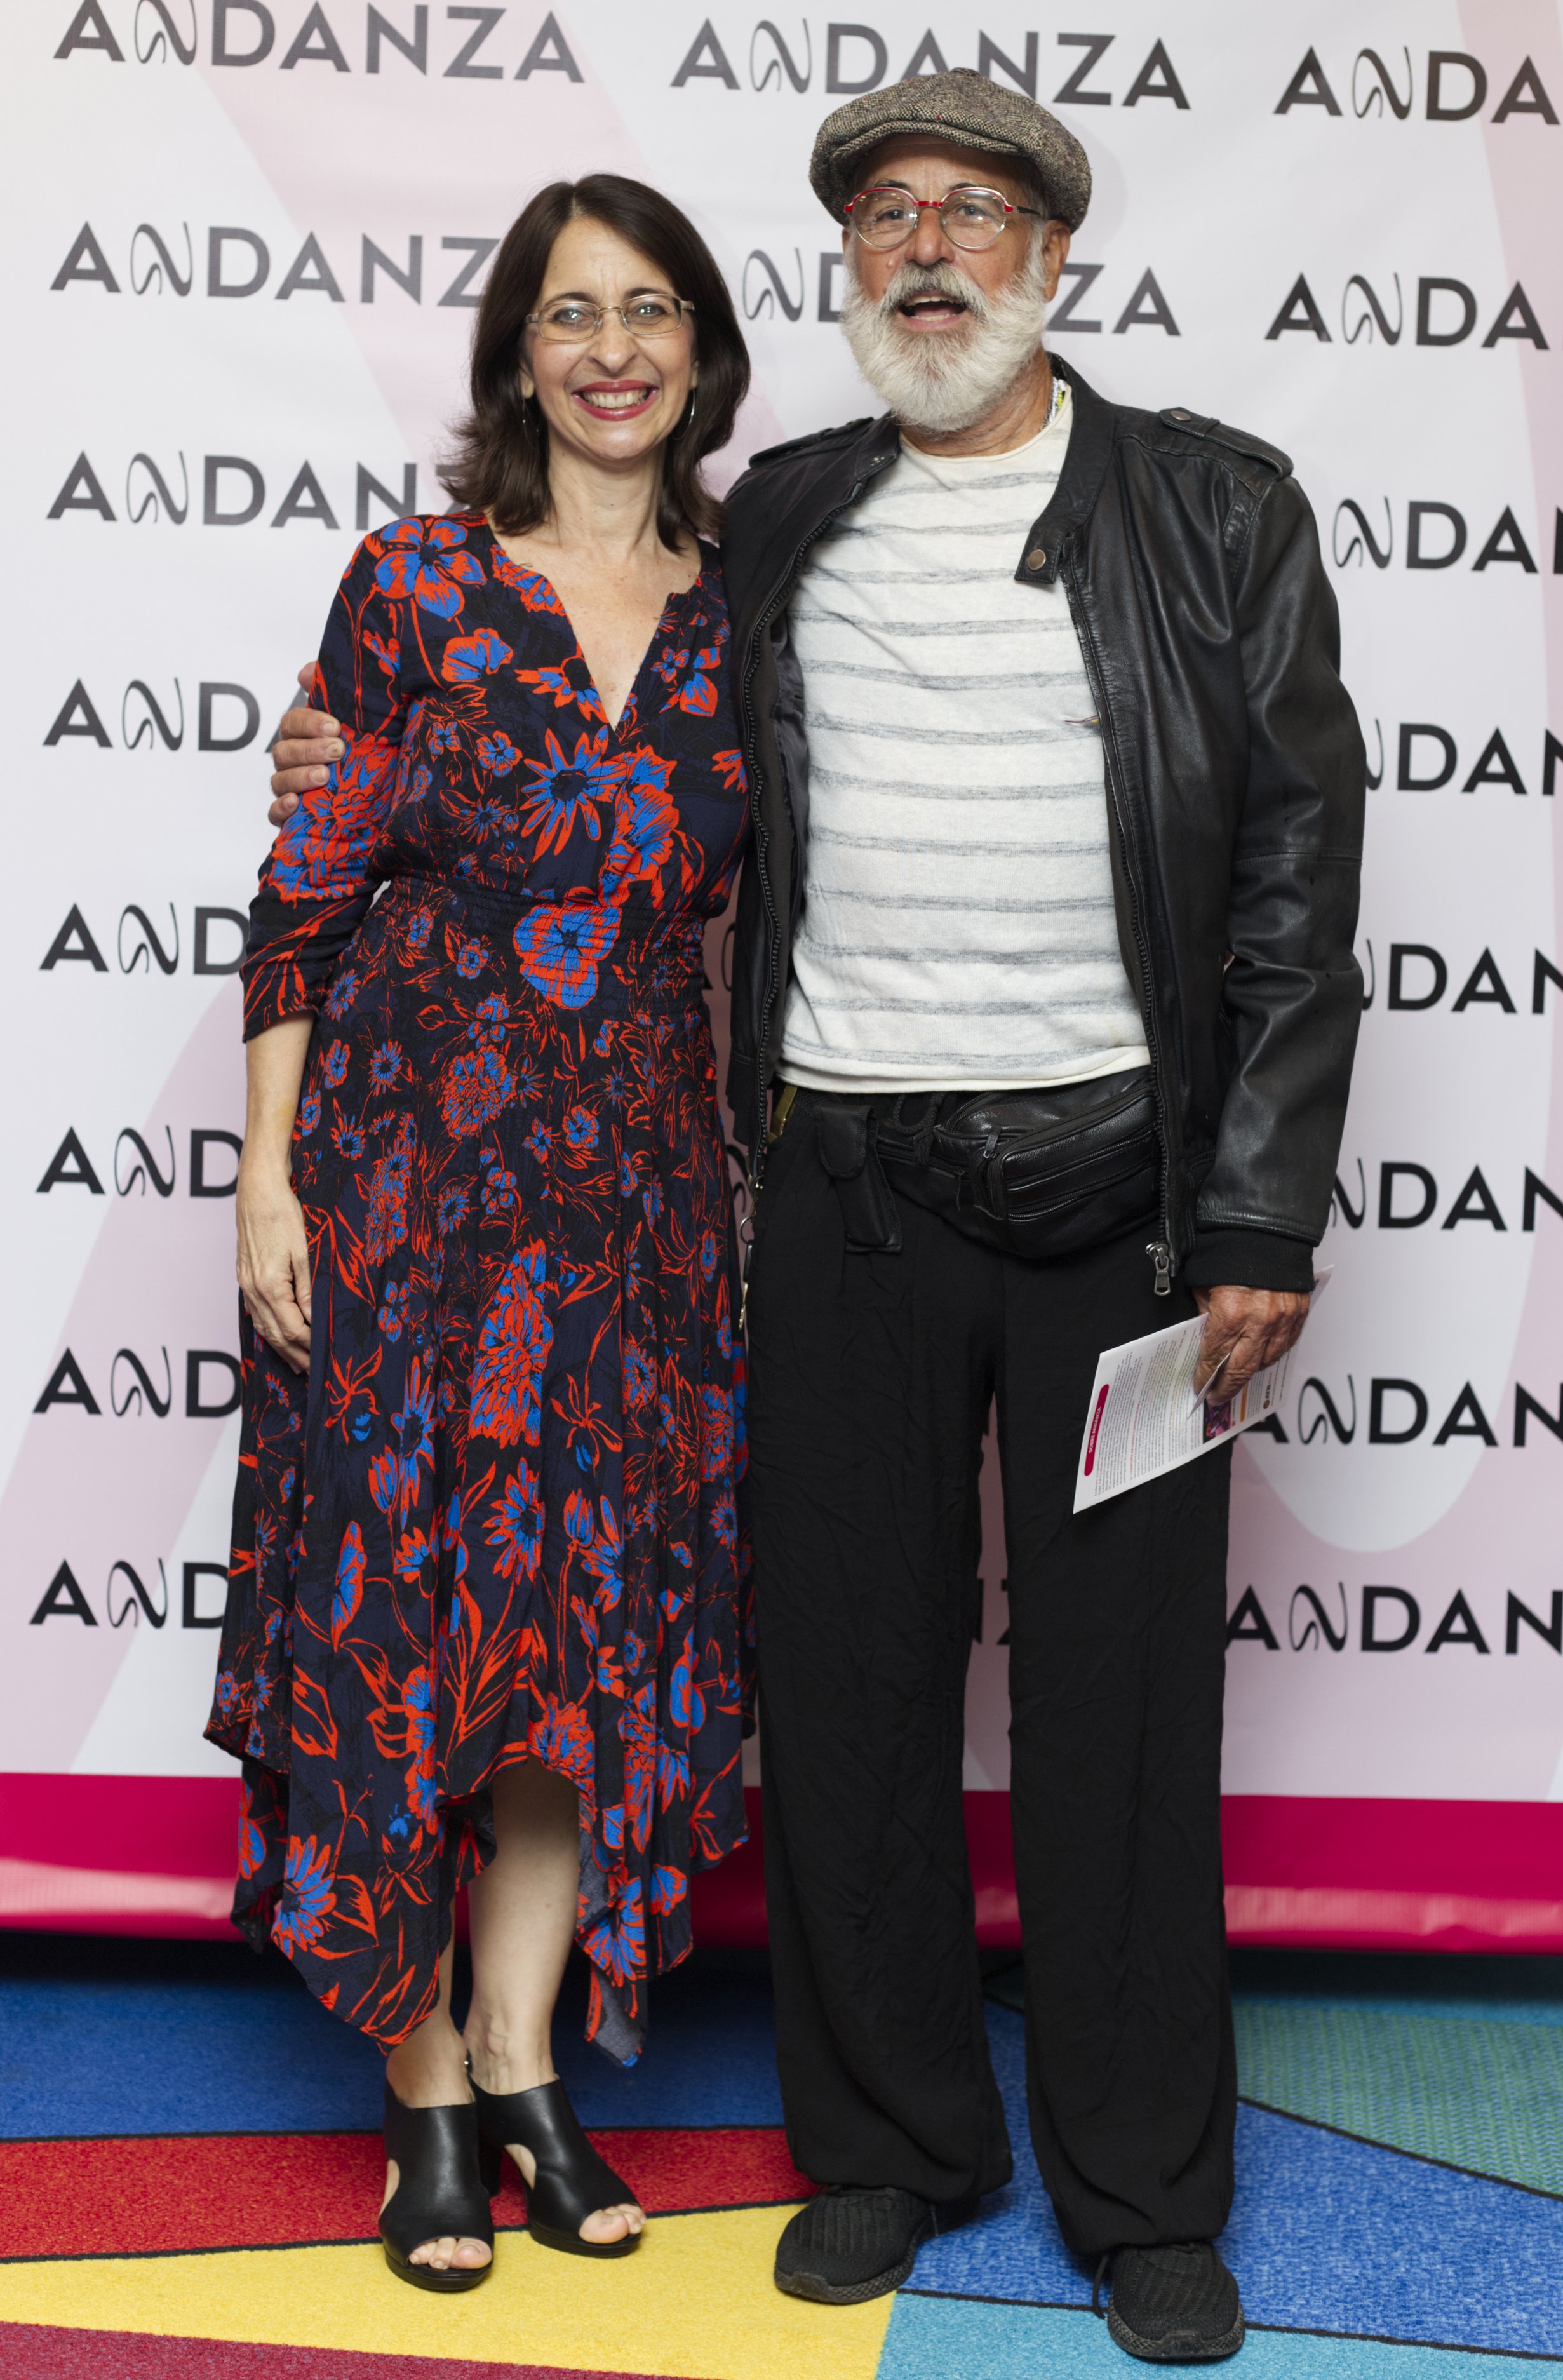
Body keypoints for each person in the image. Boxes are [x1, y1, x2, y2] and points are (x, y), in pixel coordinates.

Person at [267, 72, 1365, 2365]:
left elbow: (1292, 869)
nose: (927, 248)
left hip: (1132, 1211)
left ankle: (1143, 2189)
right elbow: (516, 724)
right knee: (851, 1688)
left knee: (1124, 1707)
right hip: (843, 1192)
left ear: (1050, 256)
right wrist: (328, 760)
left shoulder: (1214, 508)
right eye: (885, 216)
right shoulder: (780, 517)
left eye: (973, 211)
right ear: (846, 268)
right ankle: (886, 2147)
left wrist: (1259, 1212)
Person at [210, 172, 753, 2294]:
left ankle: (525, 2057)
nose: (613, 351)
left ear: (701, 347)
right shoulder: (414, 582)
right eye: (569, 315)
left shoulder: (746, 608)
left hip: (638, 1211)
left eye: (649, 310)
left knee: (578, 1646)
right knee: (409, 1634)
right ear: (516, 357)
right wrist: (268, 1175)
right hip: (406, 1195)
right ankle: (422, 2086)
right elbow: (303, 893)